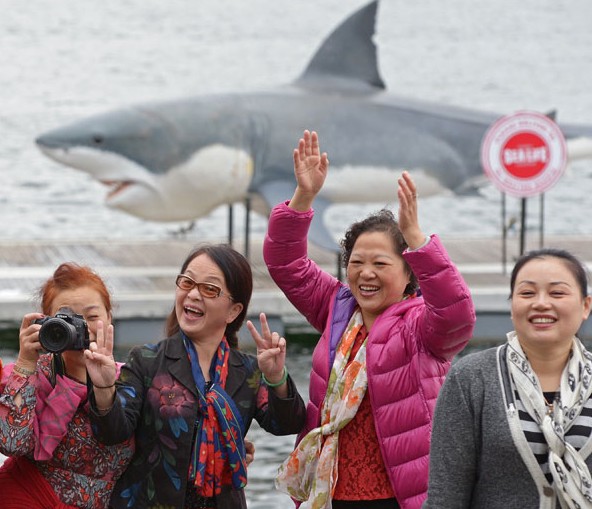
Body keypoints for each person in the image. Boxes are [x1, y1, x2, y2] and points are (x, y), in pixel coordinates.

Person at [263, 130, 476, 509]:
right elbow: (287, 263)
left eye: (380, 264)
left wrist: (417, 240)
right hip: (331, 492)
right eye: (356, 263)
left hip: (401, 497)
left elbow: (457, 316)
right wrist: (304, 197)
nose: (366, 273)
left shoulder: (420, 326)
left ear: (409, 273)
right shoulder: (337, 308)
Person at [86, 243, 307, 509]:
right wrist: (103, 386)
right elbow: (112, 432)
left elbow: (287, 424)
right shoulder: (147, 361)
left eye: (209, 289)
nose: (193, 294)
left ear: (233, 311)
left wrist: (276, 377)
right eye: (187, 282)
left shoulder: (248, 370)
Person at [424, 248, 592, 508]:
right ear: (512, 306)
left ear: (585, 305)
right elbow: (446, 497)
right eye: (527, 293)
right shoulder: (470, 378)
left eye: (557, 292)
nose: (541, 303)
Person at [0, 262, 135, 509]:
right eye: (67, 319)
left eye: (92, 317)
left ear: (109, 317)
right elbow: (11, 444)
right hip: (26, 493)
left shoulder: (133, 378)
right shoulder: (34, 373)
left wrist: (104, 385)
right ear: (46, 322)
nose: (80, 327)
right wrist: (25, 362)